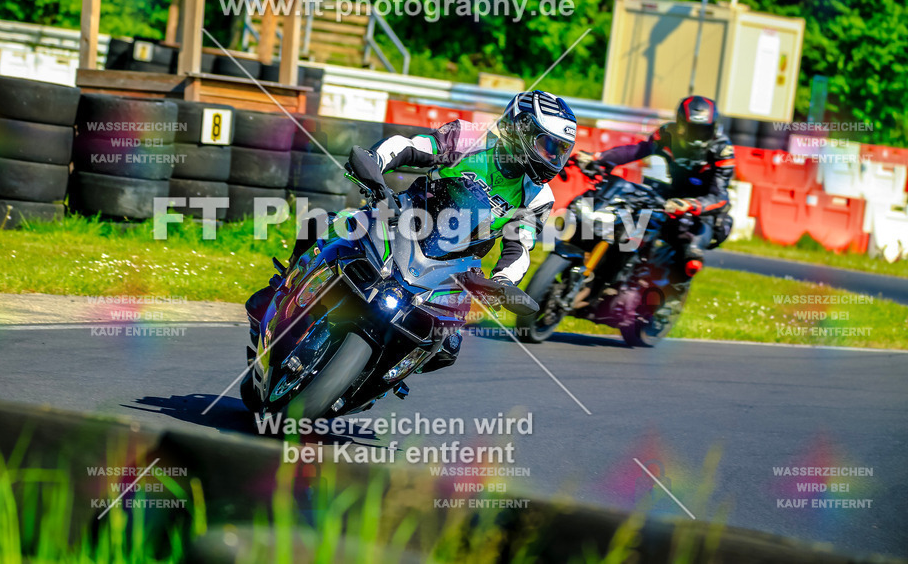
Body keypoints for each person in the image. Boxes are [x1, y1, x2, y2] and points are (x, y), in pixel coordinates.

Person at [246, 90, 578, 370]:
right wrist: (376, 163)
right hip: (401, 220)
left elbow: (519, 247)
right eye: (547, 145)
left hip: (457, 269)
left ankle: (372, 376)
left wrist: (503, 282)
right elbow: (410, 146)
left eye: (559, 151)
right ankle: (283, 284)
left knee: (446, 349)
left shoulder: (538, 197)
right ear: (520, 129)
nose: (552, 158)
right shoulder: (469, 138)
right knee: (321, 222)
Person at [575, 95, 735, 271]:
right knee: (626, 208)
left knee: (691, 259)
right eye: (694, 130)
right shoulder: (667, 133)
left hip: (702, 209)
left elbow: (719, 196)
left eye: (704, 130)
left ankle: (669, 287)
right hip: (671, 195)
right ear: (681, 125)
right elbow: (637, 150)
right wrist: (599, 158)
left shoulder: (722, 150)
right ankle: (614, 260)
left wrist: (691, 204)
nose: (699, 137)